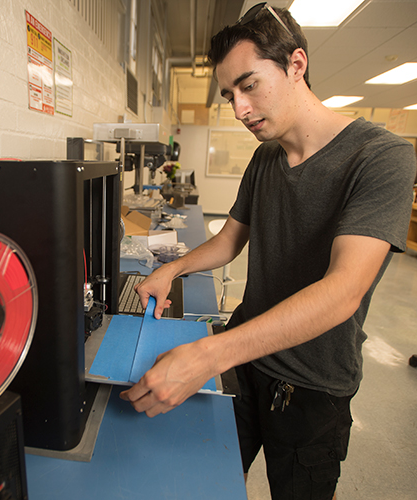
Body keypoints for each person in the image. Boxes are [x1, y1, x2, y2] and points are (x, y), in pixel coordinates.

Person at [120, 3, 417, 499]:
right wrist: (172, 269)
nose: (238, 109)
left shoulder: (380, 157)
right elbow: (230, 240)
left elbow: (342, 292)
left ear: (296, 65)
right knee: (208, 479)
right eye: (229, 94)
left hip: (310, 386)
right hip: (245, 364)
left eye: (249, 85)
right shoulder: (267, 157)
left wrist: (208, 354)